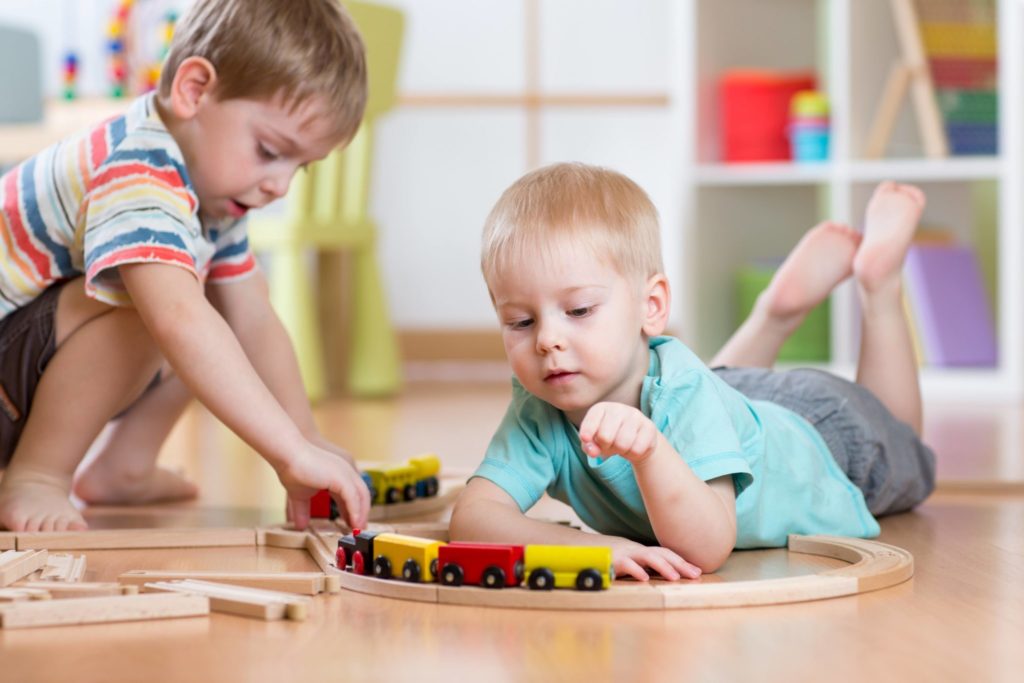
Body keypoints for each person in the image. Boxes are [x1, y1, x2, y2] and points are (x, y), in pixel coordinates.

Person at [449, 162, 936, 581]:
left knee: (903, 441)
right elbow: (473, 520)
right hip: (733, 396)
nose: (546, 339)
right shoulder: (540, 409)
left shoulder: (683, 392)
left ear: (652, 305)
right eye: (521, 321)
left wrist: (650, 452)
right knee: (714, 384)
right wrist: (594, 551)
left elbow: (706, 547)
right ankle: (775, 314)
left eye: (578, 311)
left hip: (821, 437)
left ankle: (880, 287)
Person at [0, 0, 372, 533]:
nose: (280, 186)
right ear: (195, 89)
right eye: (269, 151)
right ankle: (36, 476)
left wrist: (306, 438)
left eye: (301, 167)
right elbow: (177, 320)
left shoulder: (212, 190)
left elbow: (254, 320)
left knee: (208, 308)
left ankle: (123, 467)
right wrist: (287, 453)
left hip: (20, 374)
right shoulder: (139, 168)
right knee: (162, 308)